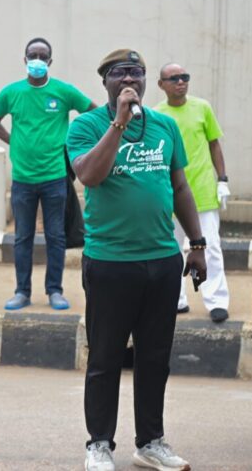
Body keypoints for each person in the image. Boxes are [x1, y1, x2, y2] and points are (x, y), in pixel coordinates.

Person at [66, 49, 207, 471]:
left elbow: (180, 187)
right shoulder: (86, 126)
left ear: (146, 81)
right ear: (105, 82)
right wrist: (119, 123)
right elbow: (89, 175)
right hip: (110, 262)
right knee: (105, 358)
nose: (129, 79)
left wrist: (197, 244)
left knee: (154, 359)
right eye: (119, 73)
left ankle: (150, 442)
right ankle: (99, 445)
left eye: (136, 73)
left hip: (162, 261)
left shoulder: (165, 126)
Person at [0, 37, 97, 311]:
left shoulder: (63, 91)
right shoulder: (11, 93)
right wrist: (13, 140)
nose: (37, 60)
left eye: (42, 56)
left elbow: (93, 111)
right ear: (25, 60)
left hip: (55, 177)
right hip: (22, 179)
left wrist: (75, 142)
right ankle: (22, 292)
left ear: (50, 61)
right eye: (32, 55)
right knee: (22, 237)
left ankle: (55, 291)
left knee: (55, 236)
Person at [155, 63, 231, 323]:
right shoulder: (157, 115)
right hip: (171, 194)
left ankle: (216, 300)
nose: (181, 82)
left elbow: (214, 144)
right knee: (172, 249)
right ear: (161, 84)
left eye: (184, 77)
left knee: (211, 248)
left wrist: (222, 179)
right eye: (174, 78)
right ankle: (176, 299)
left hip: (202, 191)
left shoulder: (202, 108)